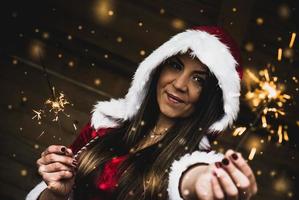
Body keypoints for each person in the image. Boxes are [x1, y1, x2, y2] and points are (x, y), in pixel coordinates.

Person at [26, 26, 257, 200]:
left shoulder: (196, 162)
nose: (179, 84)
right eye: (176, 66)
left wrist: (203, 182)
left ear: (212, 99)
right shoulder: (105, 125)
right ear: (157, 68)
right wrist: (54, 192)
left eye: (198, 80)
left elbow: (191, 177)